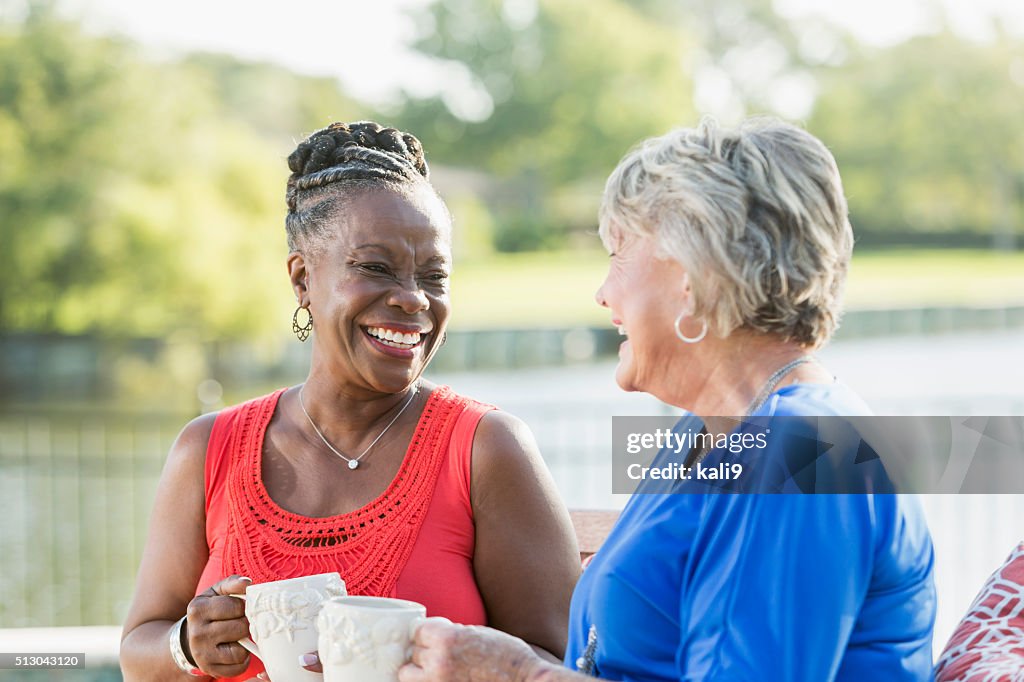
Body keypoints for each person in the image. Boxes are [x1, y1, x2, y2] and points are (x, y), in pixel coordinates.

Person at [397, 118, 936, 681]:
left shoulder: (802, 452)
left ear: (694, 276)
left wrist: (517, 675)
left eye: (618, 254)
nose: (603, 292)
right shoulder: (708, 433)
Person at [119, 121, 581, 681]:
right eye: (374, 268)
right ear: (302, 280)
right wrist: (188, 647)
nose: (413, 298)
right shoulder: (208, 448)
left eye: (434, 276)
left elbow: (561, 665)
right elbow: (138, 652)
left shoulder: (484, 450)